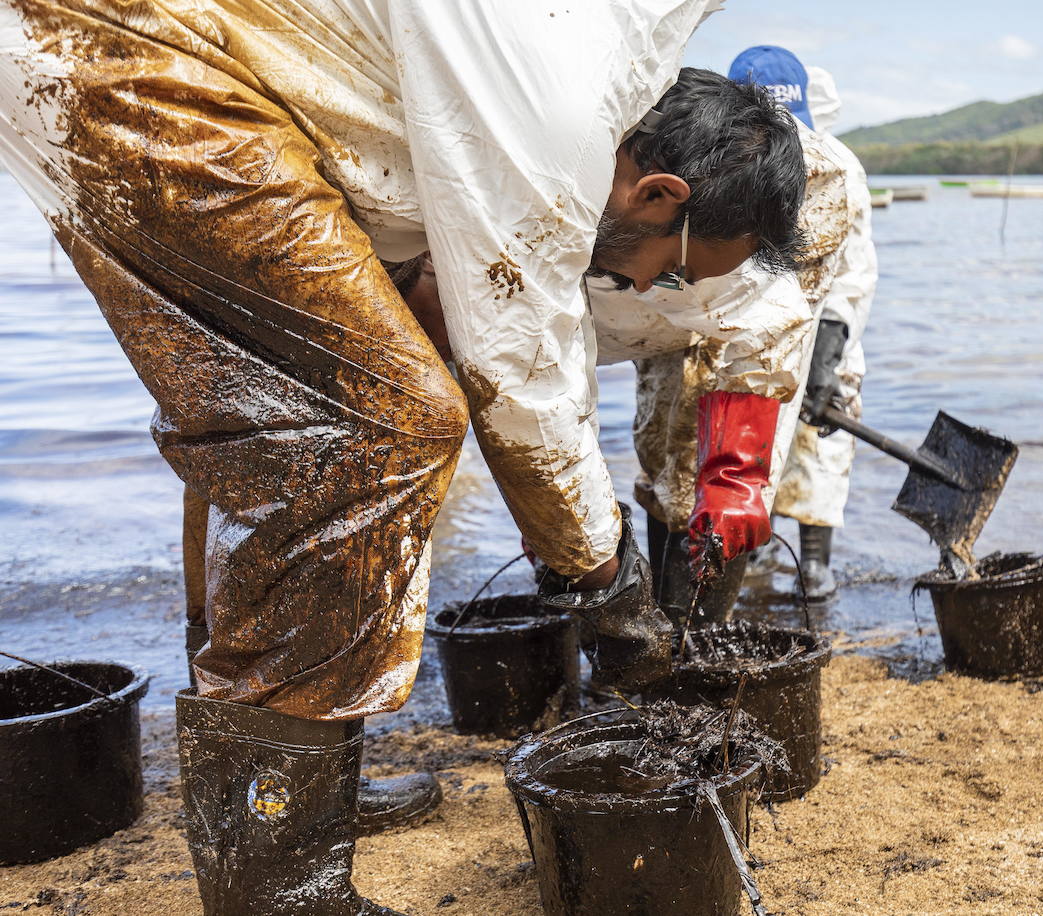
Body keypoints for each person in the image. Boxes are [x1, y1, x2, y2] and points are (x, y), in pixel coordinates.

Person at [0, 2, 806, 913]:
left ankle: (303, 782)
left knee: (282, 432)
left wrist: (591, 547)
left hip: (200, 75)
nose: (649, 289)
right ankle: (279, 882)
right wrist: (614, 596)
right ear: (659, 194)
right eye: (674, 269)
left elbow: (528, 345)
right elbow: (518, 371)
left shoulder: (592, 77)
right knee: (381, 425)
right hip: (138, 52)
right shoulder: (561, 97)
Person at [584, 45, 870, 623]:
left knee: (777, 475)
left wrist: (736, 473)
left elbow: (827, 296)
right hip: (653, 332)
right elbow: (535, 365)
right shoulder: (595, 160)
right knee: (667, 454)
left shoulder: (828, 183)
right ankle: (660, 618)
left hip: (774, 338)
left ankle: (713, 626)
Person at [768, 64, 878, 600]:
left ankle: (814, 564)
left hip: (822, 330)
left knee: (821, 442)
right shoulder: (718, 157)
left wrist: (825, 355)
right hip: (749, 338)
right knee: (749, 452)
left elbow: (853, 273)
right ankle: (756, 546)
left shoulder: (839, 170)